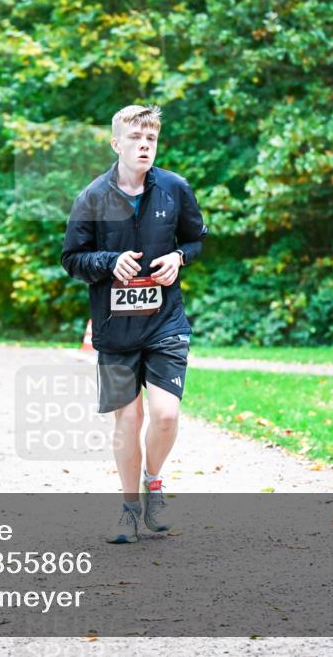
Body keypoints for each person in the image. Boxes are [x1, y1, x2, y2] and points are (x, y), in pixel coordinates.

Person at [61, 104, 207, 544]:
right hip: (116, 328)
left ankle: (154, 483)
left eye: (151, 140)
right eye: (136, 139)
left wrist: (179, 258)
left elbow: (197, 239)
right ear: (116, 143)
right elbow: (72, 259)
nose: (144, 146)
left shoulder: (174, 189)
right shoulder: (92, 197)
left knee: (165, 414)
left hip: (165, 320)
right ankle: (128, 511)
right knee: (128, 419)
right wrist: (110, 262)